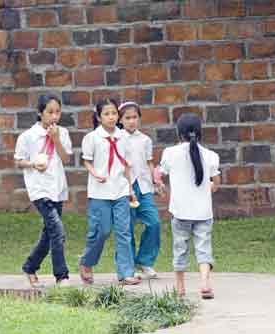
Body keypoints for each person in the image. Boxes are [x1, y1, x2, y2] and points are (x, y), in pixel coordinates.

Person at [155, 113, 221, 299]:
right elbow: (215, 181)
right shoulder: (210, 155)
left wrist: (159, 184)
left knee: (180, 248)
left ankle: (180, 287)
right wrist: (211, 187)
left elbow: (160, 174)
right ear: (200, 133)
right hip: (203, 212)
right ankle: (205, 283)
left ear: (179, 133)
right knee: (203, 248)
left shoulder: (170, 153)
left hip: (181, 211)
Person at [78, 98, 141, 285]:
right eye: (107, 114)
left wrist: (131, 190)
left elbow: (126, 166)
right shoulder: (92, 138)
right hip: (99, 192)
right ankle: (87, 261)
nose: (111, 117)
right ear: (99, 117)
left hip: (120, 190)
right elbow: (86, 160)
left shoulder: (124, 137)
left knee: (124, 232)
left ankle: (126, 273)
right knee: (101, 230)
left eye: (114, 113)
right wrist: (95, 173)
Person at [14, 94, 73, 287]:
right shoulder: (28, 136)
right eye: (50, 112)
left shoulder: (62, 133)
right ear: (40, 113)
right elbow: (18, 161)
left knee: (49, 234)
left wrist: (56, 139)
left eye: (58, 112)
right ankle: (61, 275)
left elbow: (66, 159)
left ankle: (30, 266)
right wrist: (32, 164)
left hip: (57, 188)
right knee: (57, 230)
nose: (54, 116)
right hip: (39, 190)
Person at [118, 101, 161, 279]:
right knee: (126, 228)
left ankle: (145, 260)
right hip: (124, 187)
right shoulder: (116, 138)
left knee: (154, 222)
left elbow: (149, 162)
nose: (131, 121)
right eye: (127, 118)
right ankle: (128, 267)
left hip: (144, 186)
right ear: (120, 120)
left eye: (135, 117)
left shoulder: (145, 140)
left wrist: (156, 181)